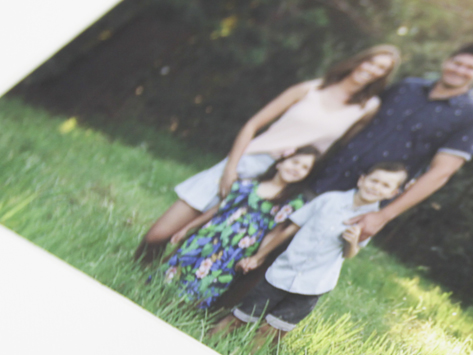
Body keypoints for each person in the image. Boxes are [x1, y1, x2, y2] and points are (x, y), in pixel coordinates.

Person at [137, 44, 400, 262]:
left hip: (282, 180)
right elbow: (253, 124)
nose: (372, 70)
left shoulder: (367, 107)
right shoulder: (309, 89)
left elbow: (340, 148)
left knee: (214, 239)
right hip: (250, 161)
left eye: (381, 70)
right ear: (359, 61)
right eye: (371, 62)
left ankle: (160, 284)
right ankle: (139, 267)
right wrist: (231, 168)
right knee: (157, 235)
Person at [307, 43, 473, 241]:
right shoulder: (407, 87)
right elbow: (359, 120)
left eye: (470, 68)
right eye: (457, 63)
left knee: (309, 258)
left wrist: (382, 216)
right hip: (326, 173)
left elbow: (441, 173)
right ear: (447, 61)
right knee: (276, 230)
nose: (460, 70)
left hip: (364, 199)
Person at [208, 163, 408, 348]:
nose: (376, 187)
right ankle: (207, 342)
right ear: (361, 180)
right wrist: (260, 256)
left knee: (270, 332)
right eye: (374, 181)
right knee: (241, 317)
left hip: (314, 284)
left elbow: (349, 255)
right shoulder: (329, 199)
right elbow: (290, 229)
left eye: (385, 185)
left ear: (393, 193)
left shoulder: (371, 220)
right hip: (283, 271)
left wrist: (352, 242)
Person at [160, 147, 319, 308]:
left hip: (233, 253)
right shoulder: (248, 184)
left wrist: (258, 257)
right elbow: (219, 209)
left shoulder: (293, 203)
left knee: (206, 282)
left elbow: (275, 233)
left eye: (305, 168)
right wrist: (187, 228)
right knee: (181, 266)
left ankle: (179, 309)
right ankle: (157, 296)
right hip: (207, 237)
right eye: (295, 162)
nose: (297, 169)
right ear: (280, 162)